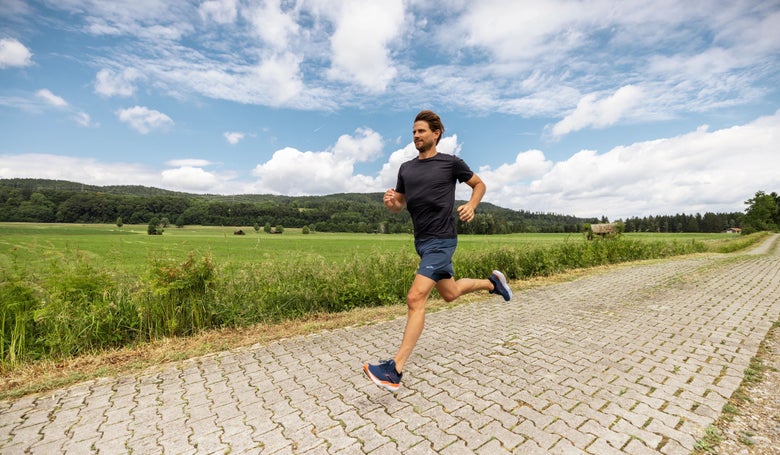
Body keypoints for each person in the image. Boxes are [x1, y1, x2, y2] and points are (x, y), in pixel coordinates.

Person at [363, 110, 512, 392]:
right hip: (422, 242)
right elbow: (401, 204)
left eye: (421, 131)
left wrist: (472, 205)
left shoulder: (451, 163)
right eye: (413, 132)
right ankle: (493, 284)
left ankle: (394, 370)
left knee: (415, 297)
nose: (416, 136)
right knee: (450, 293)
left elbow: (479, 184)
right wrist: (391, 203)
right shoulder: (406, 168)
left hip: (442, 239)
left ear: (436, 134)